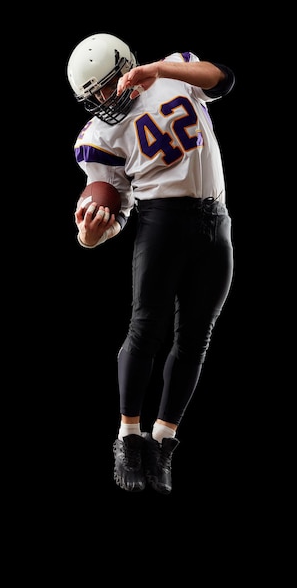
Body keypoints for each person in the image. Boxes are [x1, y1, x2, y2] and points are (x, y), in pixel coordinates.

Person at [67, 33, 235, 494]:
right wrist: (89, 235)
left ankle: (162, 441)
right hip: (161, 219)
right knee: (147, 328)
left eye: (106, 87)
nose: (104, 101)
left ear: (125, 66)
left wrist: (160, 69)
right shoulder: (100, 135)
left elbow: (224, 78)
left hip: (215, 220)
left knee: (196, 337)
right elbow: (114, 212)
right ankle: (127, 437)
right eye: (94, 96)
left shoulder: (175, 71)